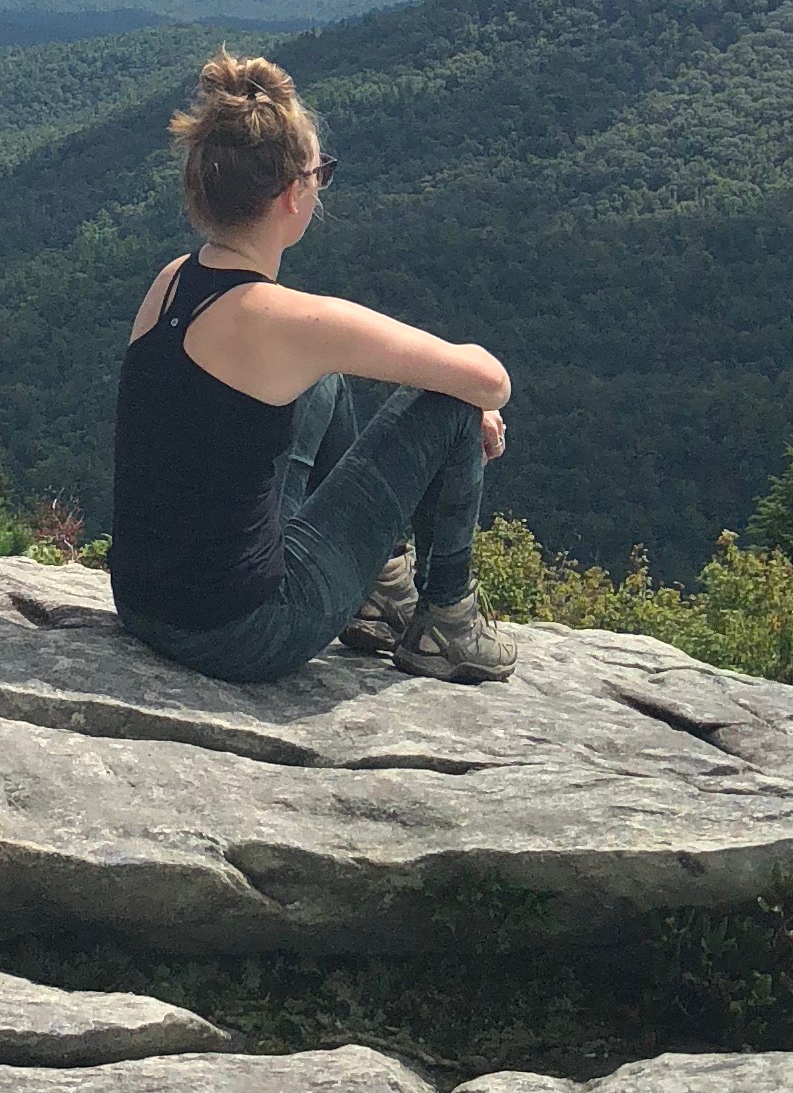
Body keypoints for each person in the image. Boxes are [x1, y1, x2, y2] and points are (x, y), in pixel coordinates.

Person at [103, 52, 519, 683]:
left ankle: (382, 588)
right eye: (320, 173)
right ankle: (447, 621)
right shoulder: (287, 322)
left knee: (322, 382)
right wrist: (467, 410)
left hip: (144, 603)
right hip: (245, 631)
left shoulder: (171, 283)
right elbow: (490, 378)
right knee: (453, 404)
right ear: (294, 193)